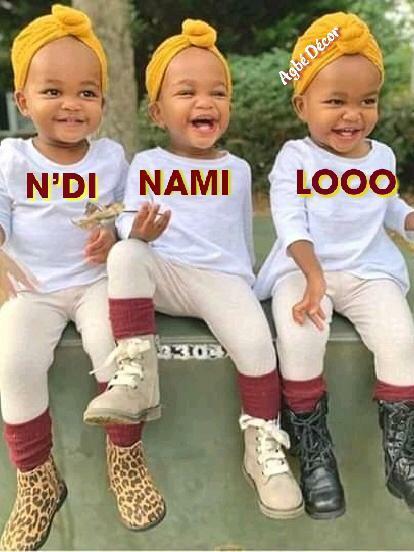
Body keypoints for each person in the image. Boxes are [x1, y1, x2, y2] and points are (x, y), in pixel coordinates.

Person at [83, 18, 303, 521]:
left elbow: (239, 240)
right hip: (165, 271)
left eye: (217, 92)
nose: (205, 102)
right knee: (126, 256)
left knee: (256, 345)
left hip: (221, 280)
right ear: (158, 111)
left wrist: (246, 291)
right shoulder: (146, 164)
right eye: (187, 92)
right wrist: (134, 233)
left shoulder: (238, 170)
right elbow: (129, 225)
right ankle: (137, 377)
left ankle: (262, 445)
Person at [0, 5, 164, 550]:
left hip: (94, 284)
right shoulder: (12, 159)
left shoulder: (111, 157)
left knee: (116, 354)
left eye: (87, 92)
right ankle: (36, 478)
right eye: (53, 91)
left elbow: (122, 214)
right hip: (33, 288)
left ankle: (125, 456)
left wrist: (115, 236)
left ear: (102, 103)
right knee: (15, 362)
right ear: (23, 100)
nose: (71, 103)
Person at [255, 11, 414, 519]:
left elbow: (389, 207)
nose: (352, 115)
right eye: (335, 102)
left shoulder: (380, 157)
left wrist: (409, 220)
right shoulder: (296, 159)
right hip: (303, 272)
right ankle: (315, 451)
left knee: (401, 338)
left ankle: (401, 454)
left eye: (367, 101)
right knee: (300, 334)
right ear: (302, 104)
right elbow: (291, 224)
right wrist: (314, 277)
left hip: (368, 271)